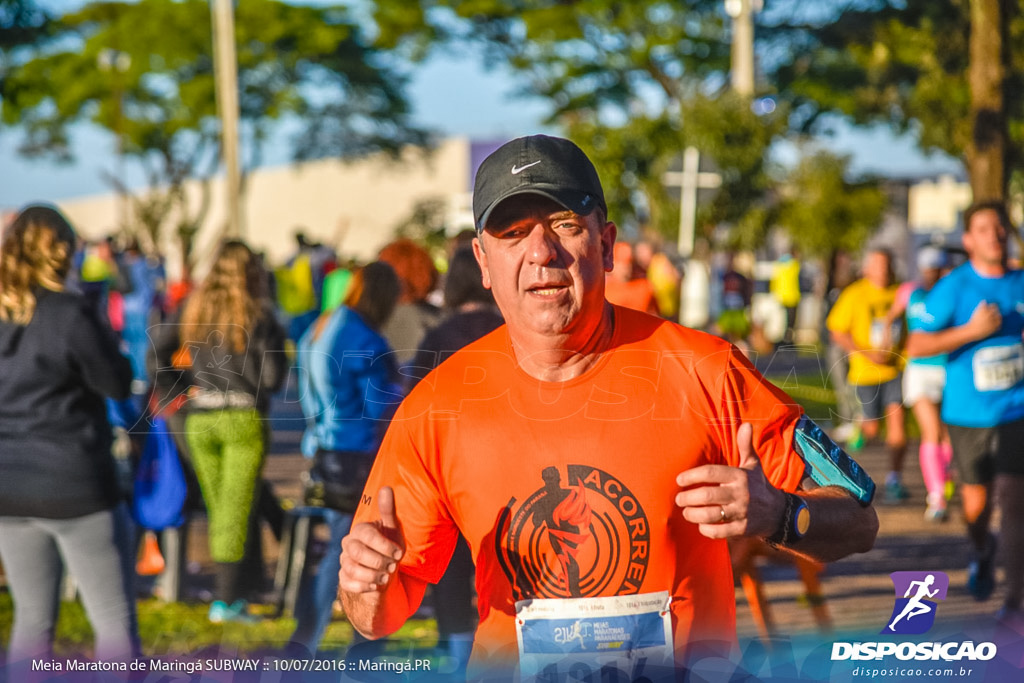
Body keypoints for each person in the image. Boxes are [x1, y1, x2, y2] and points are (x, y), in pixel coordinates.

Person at [338, 135, 878, 678]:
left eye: (566, 225)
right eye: (513, 233)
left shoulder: (707, 370)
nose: (541, 251)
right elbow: (375, 615)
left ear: (606, 243)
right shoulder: (437, 405)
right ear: (482, 260)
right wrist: (363, 583)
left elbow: (859, 521)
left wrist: (780, 514)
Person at [0, 205, 138, 676]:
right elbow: (117, 382)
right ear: (62, 251)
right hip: (77, 485)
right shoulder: (70, 312)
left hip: (9, 486)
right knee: (114, 625)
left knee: (31, 622)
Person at [906, 201, 1024, 617]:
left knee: (1013, 498)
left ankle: (1014, 600)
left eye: (1000, 227)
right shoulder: (955, 287)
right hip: (967, 413)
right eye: (984, 228)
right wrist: (972, 331)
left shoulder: (1020, 282)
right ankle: (982, 547)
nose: (995, 234)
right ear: (969, 240)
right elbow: (915, 345)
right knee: (976, 506)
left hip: (1016, 410)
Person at [290, 261, 402, 653]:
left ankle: (315, 637)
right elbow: (380, 405)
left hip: (324, 446)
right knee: (353, 550)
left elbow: (304, 390)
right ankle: (326, 640)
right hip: (356, 454)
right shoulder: (365, 339)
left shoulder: (321, 326)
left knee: (340, 547)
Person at [174, 240, 288, 622]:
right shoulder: (259, 315)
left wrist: (176, 390)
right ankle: (226, 601)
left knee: (225, 505)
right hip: (242, 418)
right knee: (233, 510)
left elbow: (155, 353)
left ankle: (243, 587)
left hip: (201, 419)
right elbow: (271, 379)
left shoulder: (194, 309)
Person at [404, 246, 505, 673]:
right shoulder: (512, 328)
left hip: (450, 468)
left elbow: (411, 405)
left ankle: (458, 651)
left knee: (452, 566)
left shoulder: (439, 337)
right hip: (509, 468)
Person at [826, 248, 909, 504]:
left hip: (895, 369)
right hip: (864, 373)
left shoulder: (899, 292)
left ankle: (894, 479)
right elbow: (836, 331)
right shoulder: (855, 294)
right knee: (873, 429)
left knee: (898, 427)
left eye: (887, 264)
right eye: (878, 265)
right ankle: (860, 429)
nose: (883, 270)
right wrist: (866, 353)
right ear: (867, 268)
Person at [889, 246, 954, 521]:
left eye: (936, 269)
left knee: (949, 434)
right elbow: (891, 318)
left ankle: (944, 476)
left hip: (949, 368)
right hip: (919, 371)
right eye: (927, 268)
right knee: (931, 431)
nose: (931, 274)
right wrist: (886, 341)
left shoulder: (953, 291)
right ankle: (936, 496)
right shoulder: (909, 292)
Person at [603, 241, 660, 315]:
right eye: (622, 262)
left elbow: (656, 315)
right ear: (613, 264)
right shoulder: (604, 291)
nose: (626, 266)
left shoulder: (645, 286)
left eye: (629, 261)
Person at [770, 250, 802, 345]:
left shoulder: (778, 266)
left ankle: (785, 339)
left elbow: (774, 281)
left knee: (784, 321)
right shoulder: (794, 265)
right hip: (792, 297)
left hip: (781, 297)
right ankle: (787, 339)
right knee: (790, 321)